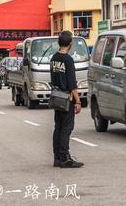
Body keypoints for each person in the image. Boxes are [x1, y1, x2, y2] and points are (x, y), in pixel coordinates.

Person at [50, 31, 83, 169]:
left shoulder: (54, 58)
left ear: (59, 43)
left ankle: (57, 157)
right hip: (67, 98)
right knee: (66, 128)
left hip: (57, 96)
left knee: (58, 127)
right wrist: (78, 101)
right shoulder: (68, 60)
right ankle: (65, 157)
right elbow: (72, 84)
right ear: (70, 44)